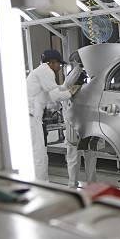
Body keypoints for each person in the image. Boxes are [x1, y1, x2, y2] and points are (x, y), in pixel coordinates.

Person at [26, 49, 78, 181]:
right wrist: (71, 92)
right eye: (58, 63)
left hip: (32, 117)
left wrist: (65, 89)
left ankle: (40, 183)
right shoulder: (46, 71)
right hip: (31, 118)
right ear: (51, 62)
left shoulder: (39, 72)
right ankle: (42, 186)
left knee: (38, 154)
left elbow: (53, 91)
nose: (59, 66)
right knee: (39, 156)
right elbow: (55, 96)